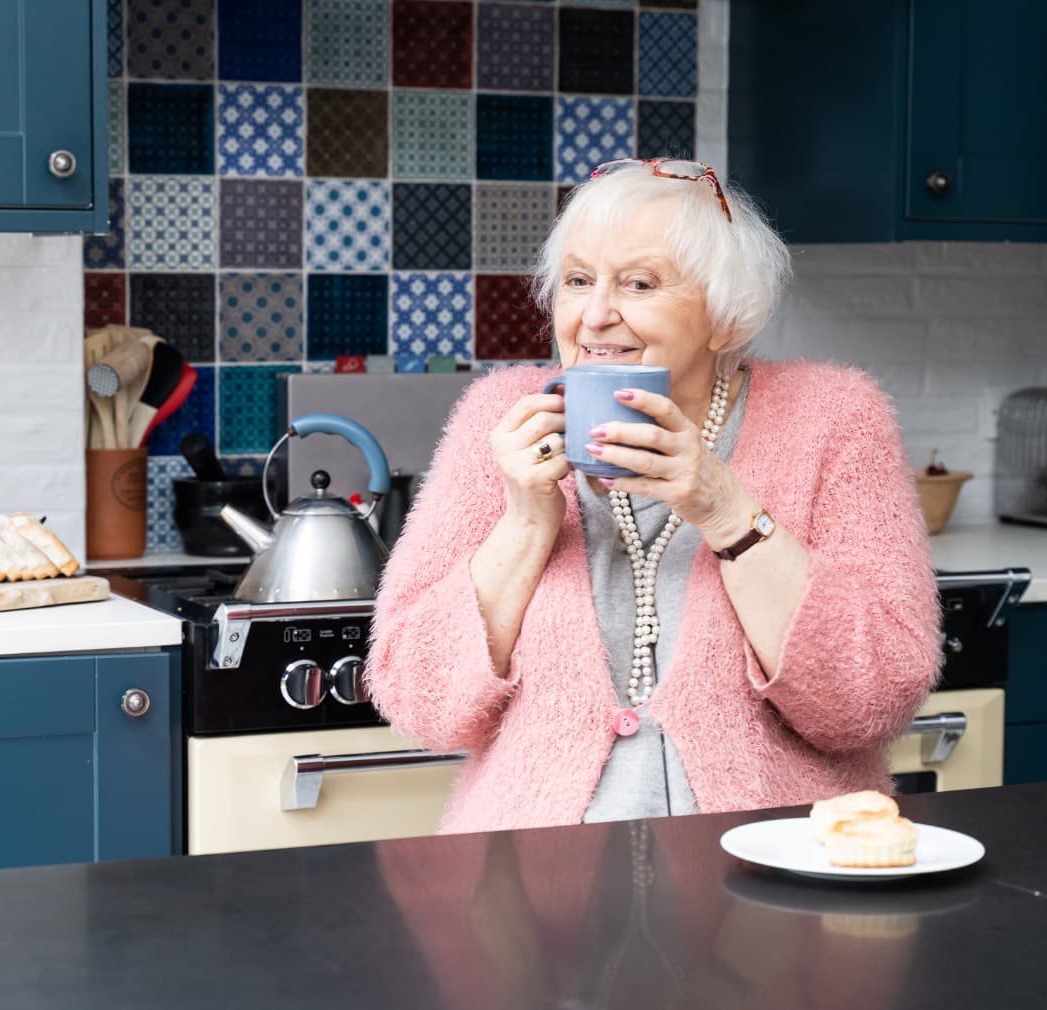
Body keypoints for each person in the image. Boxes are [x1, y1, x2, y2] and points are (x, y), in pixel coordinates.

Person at [365, 158, 942, 835]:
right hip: (530, 885)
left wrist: (726, 511)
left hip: (771, 876)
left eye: (638, 284)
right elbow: (417, 701)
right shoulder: (499, 417)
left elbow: (871, 701)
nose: (595, 315)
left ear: (725, 317)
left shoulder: (834, 418)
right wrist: (525, 524)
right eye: (578, 282)